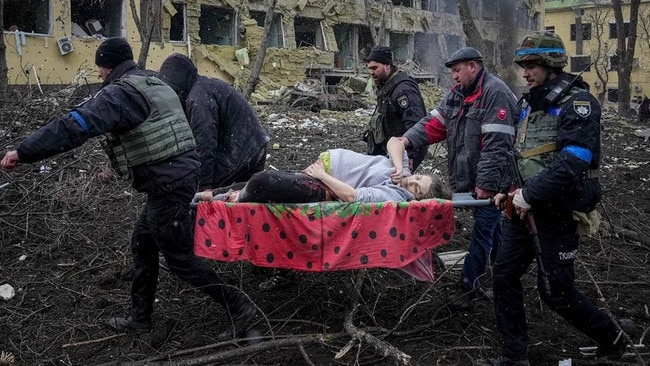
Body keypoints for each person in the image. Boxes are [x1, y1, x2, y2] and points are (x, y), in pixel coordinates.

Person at [0, 38, 257, 340]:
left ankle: (241, 309)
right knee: (144, 243)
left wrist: (25, 151)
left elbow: (75, 125)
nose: (97, 74)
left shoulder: (120, 94)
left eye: (99, 67)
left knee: (180, 259)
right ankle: (140, 320)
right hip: (176, 177)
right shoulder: (150, 82)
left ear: (108, 67)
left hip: (169, 182)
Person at [478, 32, 637, 366]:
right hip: (521, 209)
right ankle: (513, 356)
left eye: (532, 65)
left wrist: (528, 196)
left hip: (558, 211)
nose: (525, 73)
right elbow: (521, 155)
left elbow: (573, 162)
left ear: (551, 65)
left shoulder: (578, 104)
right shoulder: (529, 104)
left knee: (556, 292)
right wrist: (507, 191)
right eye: (523, 65)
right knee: (503, 275)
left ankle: (613, 336)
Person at [398, 47, 517, 309]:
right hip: (470, 181)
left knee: (483, 231)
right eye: (452, 71)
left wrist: (485, 185)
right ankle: (505, 276)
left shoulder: (495, 94)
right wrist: (406, 139)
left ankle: (469, 284)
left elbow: (497, 145)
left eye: (457, 70)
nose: (453, 76)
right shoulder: (456, 96)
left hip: (494, 182)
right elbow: (433, 124)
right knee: (494, 229)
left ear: (473, 66)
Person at [216, 137, 451, 204]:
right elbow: (395, 142)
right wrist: (400, 167)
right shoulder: (404, 172)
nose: (412, 183)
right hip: (323, 169)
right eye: (418, 178)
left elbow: (352, 196)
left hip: (324, 183)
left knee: (262, 182)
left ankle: (224, 200)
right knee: (256, 183)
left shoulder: (394, 195)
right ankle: (209, 195)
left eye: (417, 190)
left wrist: (322, 175)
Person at [158, 53, 270, 192]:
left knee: (204, 196)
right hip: (254, 144)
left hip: (241, 150)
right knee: (244, 199)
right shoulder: (203, 86)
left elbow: (205, 143)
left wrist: (204, 186)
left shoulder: (198, 98)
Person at [364, 46, 429, 171]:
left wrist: (410, 154)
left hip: (403, 151)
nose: (371, 72)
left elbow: (415, 123)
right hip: (392, 149)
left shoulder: (403, 89)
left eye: (375, 68)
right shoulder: (386, 86)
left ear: (387, 66)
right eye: (369, 69)